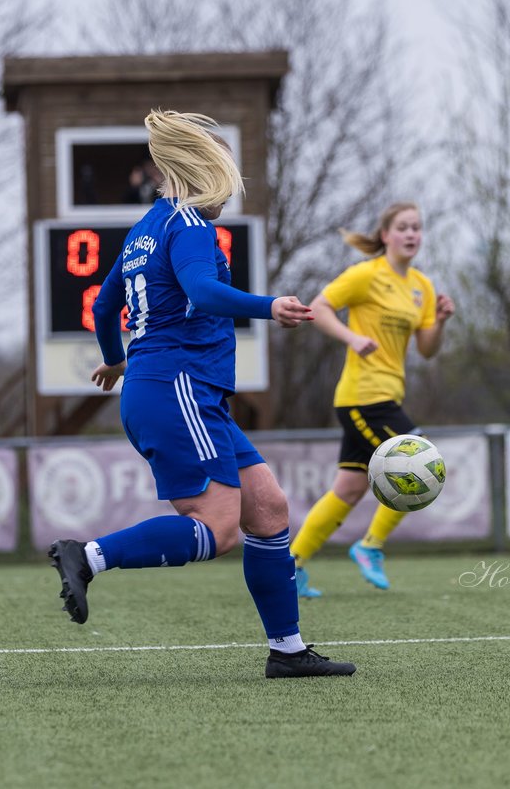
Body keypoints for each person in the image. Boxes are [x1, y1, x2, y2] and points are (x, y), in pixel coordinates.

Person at [48, 109, 356, 678]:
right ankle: (88, 557)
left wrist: (116, 361)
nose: (228, 196)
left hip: (165, 387)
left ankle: (287, 652)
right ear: (204, 172)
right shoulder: (189, 223)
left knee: (267, 510)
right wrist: (269, 306)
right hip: (179, 386)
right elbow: (202, 291)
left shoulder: (146, 227)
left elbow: (104, 305)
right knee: (217, 527)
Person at [288, 202, 456, 597]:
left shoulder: (422, 286)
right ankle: (370, 546)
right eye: (403, 227)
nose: (411, 234)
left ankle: (290, 567)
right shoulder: (366, 275)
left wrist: (442, 322)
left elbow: (428, 349)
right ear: (385, 235)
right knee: (423, 465)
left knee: (348, 488)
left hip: (386, 395)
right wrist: (351, 338)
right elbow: (320, 306)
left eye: (417, 227)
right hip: (364, 397)